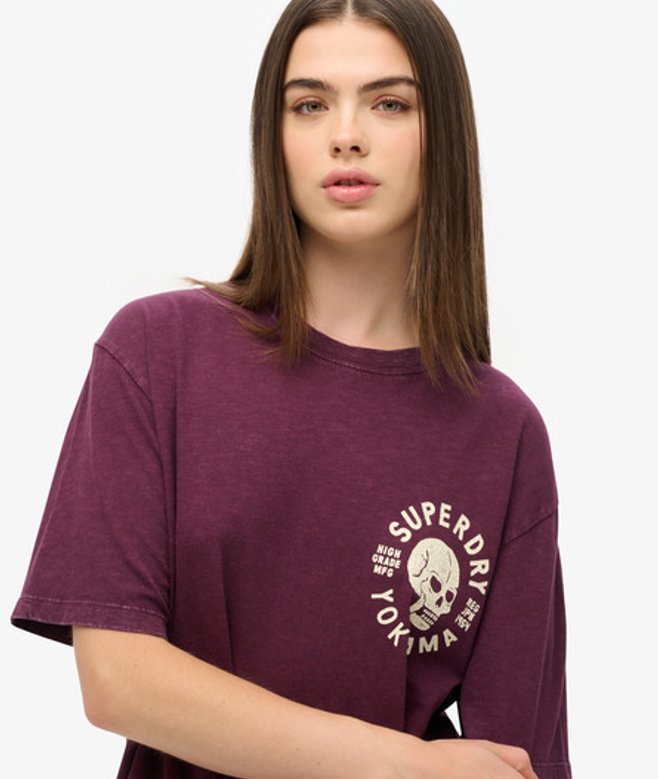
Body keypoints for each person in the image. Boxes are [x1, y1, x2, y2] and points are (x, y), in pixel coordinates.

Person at [10, 1, 571, 778]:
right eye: (309, 105)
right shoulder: (157, 353)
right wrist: (406, 765)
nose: (347, 134)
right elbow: (118, 678)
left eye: (389, 103)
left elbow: (517, 759)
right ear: (272, 138)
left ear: (443, 133)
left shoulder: (503, 433)